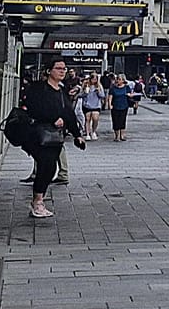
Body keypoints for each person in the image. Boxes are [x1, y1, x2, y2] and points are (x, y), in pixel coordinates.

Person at [18, 58, 85, 218]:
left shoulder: (62, 91)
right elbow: (32, 108)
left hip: (54, 137)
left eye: (64, 68)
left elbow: (68, 113)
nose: (62, 71)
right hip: (38, 134)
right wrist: (52, 118)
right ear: (49, 71)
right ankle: (37, 202)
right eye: (58, 68)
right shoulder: (38, 88)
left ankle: (38, 200)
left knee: (50, 168)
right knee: (46, 165)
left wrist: (77, 135)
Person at [79, 73, 105, 140]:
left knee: (95, 118)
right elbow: (80, 94)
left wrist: (98, 91)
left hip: (96, 105)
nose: (94, 80)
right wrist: (85, 92)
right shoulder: (86, 85)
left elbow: (102, 96)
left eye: (95, 79)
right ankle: (87, 133)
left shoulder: (99, 86)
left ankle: (93, 131)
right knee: (87, 119)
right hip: (87, 104)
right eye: (92, 79)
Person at [109, 75, 134, 142]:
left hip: (124, 105)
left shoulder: (126, 87)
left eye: (119, 79)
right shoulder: (113, 88)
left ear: (123, 80)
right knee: (115, 121)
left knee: (122, 120)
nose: (118, 80)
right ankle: (117, 135)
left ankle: (122, 135)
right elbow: (110, 97)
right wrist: (110, 104)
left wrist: (130, 95)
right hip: (115, 106)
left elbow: (131, 94)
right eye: (117, 79)